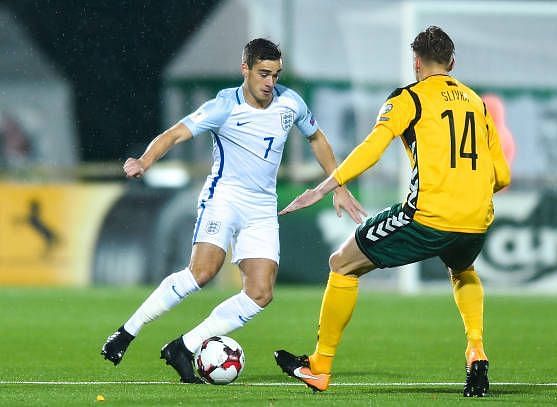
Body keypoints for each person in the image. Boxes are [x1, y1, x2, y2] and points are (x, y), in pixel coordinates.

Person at [100, 38, 365, 383]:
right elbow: (175, 134)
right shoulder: (223, 106)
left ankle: (184, 346)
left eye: (276, 74)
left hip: (262, 206)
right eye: (264, 74)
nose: (271, 82)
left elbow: (316, 138)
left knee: (260, 293)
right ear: (246, 69)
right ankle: (126, 332)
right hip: (223, 197)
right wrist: (145, 161)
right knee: (202, 273)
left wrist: (338, 185)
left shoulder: (289, 102)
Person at [273, 26, 511, 397]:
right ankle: (476, 350)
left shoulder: (407, 99)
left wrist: (325, 186)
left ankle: (319, 367)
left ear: (416, 62)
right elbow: (503, 175)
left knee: (342, 263)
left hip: (428, 218)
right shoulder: (477, 103)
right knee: (462, 269)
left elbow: (372, 148)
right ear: (452, 62)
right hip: (477, 220)